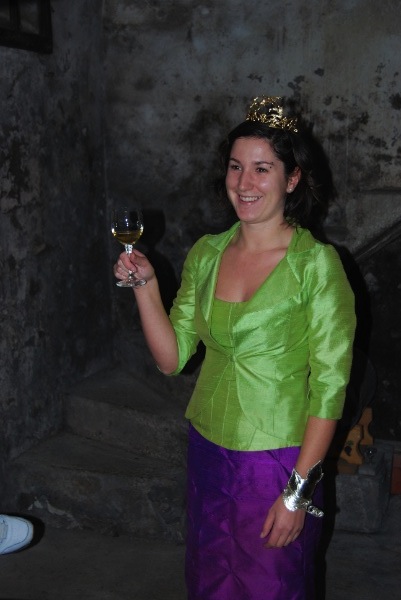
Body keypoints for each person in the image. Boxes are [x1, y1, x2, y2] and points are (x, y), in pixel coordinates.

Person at [113, 96, 356, 599]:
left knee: (273, 584)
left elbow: (330, 389)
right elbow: (171, 359)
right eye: (235, 166)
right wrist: (146, 286)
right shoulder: (207, 253)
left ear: (292, 179)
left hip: (277, 461)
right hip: (208, 451)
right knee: (210, 580)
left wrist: (297, 493)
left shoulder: (316, 265)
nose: (244, 183)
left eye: (262, 169)